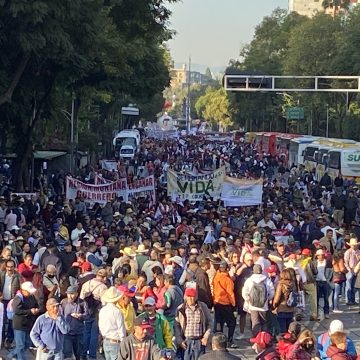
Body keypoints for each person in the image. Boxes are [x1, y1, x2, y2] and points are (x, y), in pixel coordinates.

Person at [174, 287, 212, 360]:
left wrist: (206, 336)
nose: (191, 299)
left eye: (192, 296)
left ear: (196, 297)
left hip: (199, 340)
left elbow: (210, 322)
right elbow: (176, 326)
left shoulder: (203, 307)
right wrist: (180, 340)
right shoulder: (180, 308)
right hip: (186, 341)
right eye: (189, 296)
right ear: (185, 297)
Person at [80, 268, 108, 360]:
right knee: (94, 334)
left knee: (86, 333)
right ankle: (92, 355)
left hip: (87, 310)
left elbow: (81, 299)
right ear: (104, 277)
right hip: (97, 312)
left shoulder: (86, 284)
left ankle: (83, 354)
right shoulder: (103, 287)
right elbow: (104, 303)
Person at [9, 281, 39, 360]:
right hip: (19, 324)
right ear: (24, 290)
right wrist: (30, 311)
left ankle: (12, 355)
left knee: (27, 343)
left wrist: (36, 309)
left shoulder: (31, 297)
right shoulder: (18, 298)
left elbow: (36, 305)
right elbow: (16, 311)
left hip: (28, 324)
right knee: (20, 345)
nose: (30, 293)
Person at [242, 264, 275, 336]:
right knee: (264, 323)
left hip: (253, 306)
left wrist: (248, 300)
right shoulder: (266, 280)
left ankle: (256, 340)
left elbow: (244, 292)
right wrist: (267, 299)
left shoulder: (249, 280)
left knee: (255, 323)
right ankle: (264, 339)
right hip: (264, 306)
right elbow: (272, 292)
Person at [212, 261, 237, 348]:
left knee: (219, 322)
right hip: (226, 303)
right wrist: (234, 304)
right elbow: (230, 293)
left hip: (217, 302)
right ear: (227, 269)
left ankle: (218, 342)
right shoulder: (227, 280)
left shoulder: (216, 277)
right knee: (232, 323)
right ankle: (230, 340)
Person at [60, 285, 88, 360]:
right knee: (67, 354)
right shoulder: (64, 302)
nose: (70, 296)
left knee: (79, 354)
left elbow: (87, 316)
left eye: (72, 294)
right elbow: (60, 316)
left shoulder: (82, 303)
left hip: (79, 333)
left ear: (76, 294)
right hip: (67, 333)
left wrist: (80, 316)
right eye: (68, 294)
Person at [99, 286, 126, 360]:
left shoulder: (102, 310)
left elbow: (100, 327)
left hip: (106, 340)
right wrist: (123, 342)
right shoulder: (117, 311)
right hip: (115, 341)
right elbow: (121, 329)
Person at [0, 258, 21, 348]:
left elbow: (20, 288)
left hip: (12, 301)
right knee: (2, 320)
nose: (9, 269)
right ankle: (1, 340)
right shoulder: (1, 275)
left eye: (11, 267)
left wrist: (16, 298)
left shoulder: (18, 276)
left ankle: (9, 340)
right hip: (2, 300)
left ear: (14, 267)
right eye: (8, 267)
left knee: (11, 321)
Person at [272, 268, 297, 333]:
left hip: (282, 309)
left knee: (282, 330)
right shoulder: (293, 284)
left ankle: (283, 342)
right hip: (291, 309)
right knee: (289, 330)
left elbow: (277, 299)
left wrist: (274, 306)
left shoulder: (280, 284)